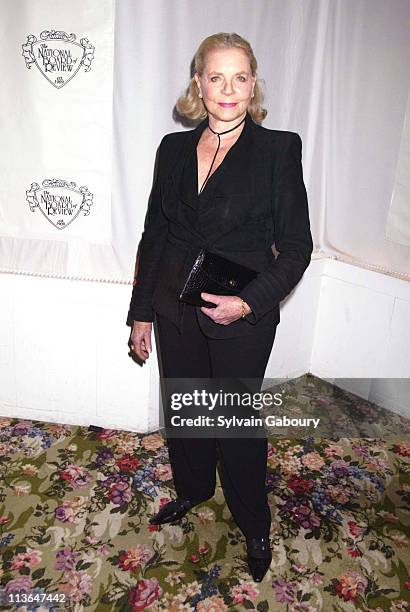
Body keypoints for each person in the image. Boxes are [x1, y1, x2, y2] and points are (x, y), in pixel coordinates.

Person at [127, 32, 313, 582]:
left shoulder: (279, 149)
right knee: (186, 408)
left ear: (253, 84)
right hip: (173, 308)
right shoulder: (172, 149)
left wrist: (247, 302)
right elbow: (154, 234)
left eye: (239, 77)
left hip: (240, 316)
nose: (227, 89)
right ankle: (192, 490)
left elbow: (298, 248)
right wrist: (141, 312)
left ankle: (254, 522)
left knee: (234, 423)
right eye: (216, 77)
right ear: (198, 85)